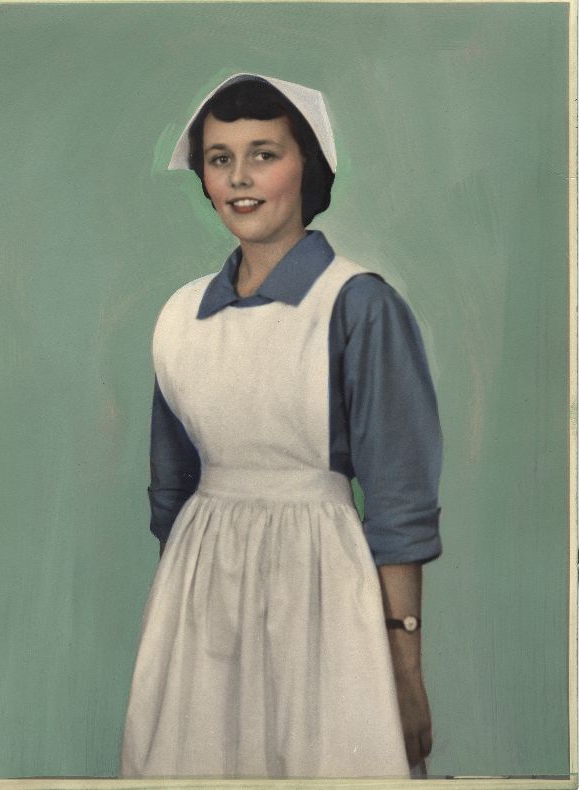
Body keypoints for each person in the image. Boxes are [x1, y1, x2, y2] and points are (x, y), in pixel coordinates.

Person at [120, 73, 442, 779]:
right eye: (220, 158)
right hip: (199, 591)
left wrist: (404, 667)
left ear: (307, 167)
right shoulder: (179, 316)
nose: (240, 178)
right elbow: (170, 492)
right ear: (205, 178)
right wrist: (189, 613)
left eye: (263, 154)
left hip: (322, 585)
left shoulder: (357, 304)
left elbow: (400, 504)